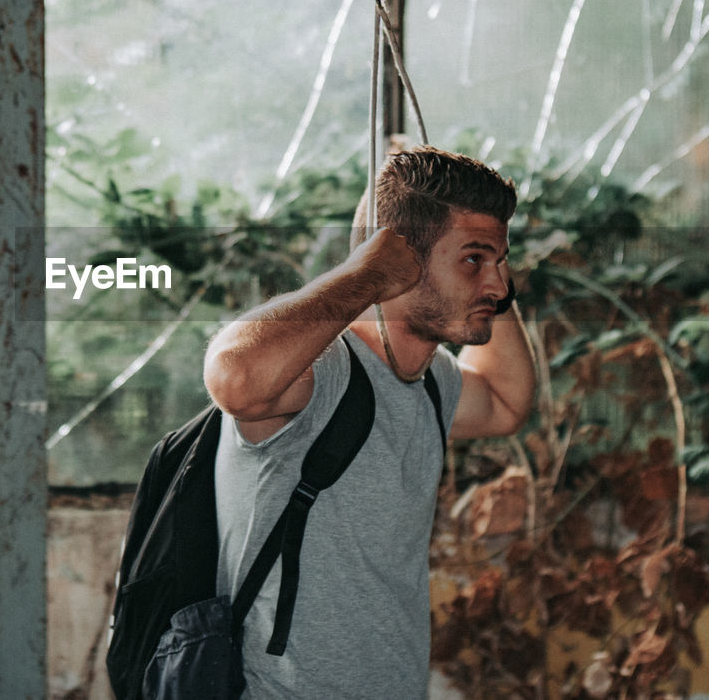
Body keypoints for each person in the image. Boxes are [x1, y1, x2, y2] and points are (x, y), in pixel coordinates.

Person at [202, 145, 537, 698]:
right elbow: (234, 378)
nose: (500, 288)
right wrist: (359, 276)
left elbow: (505, 402)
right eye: (474, 260)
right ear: (398, 263)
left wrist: (489, 263)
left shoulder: (432, 381)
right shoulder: (323, 371)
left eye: (500, 262)